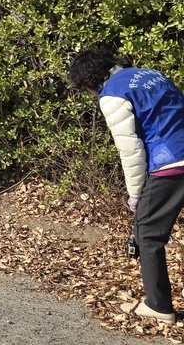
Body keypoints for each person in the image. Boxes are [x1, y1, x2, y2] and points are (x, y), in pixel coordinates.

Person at [68, 48, 184, 324]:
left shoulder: (112, 94)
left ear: (87, 79)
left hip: (170, 163)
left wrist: (135, 194)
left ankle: (158, 306)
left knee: (148, 234)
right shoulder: (151, 74)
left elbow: (130, 151)